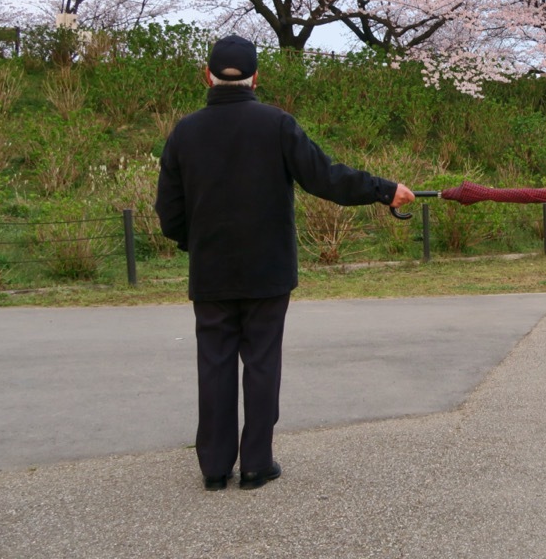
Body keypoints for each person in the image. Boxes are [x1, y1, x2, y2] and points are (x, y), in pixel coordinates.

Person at [155, 35, 415, 491]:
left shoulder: (184, 132)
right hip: (268, 269)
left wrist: (195, 243)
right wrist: (383, 188)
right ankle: (257, 463)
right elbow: (325, 177)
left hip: (211, 270)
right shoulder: (276, 124)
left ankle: (215, 468)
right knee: (261, 361)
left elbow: (169, 214)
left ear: (207, 76)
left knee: (214, 363)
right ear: (256, 77)